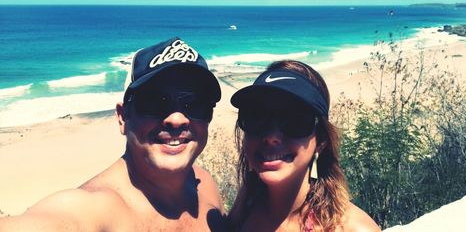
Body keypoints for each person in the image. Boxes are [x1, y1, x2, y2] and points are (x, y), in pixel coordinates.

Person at [0, 37, 227, 231]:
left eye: (195, 105)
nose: (177, 119)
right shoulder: (93, 208)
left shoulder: (204, 186)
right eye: (155, 102)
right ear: (122, 117)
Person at [229, 60, 380, 231]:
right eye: (256, 116)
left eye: (295, 120)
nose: (271, 136)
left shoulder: (351, 229)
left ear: (321, 140)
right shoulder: (245, 208)